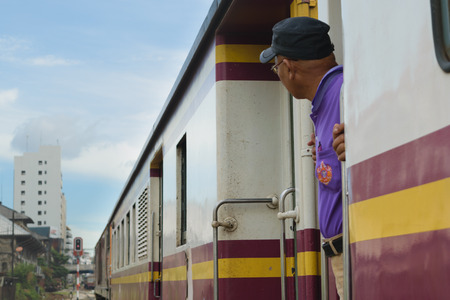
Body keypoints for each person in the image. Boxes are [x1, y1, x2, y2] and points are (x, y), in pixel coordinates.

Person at [260, 17, 344, 298]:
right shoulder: (327, 99)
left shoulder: (343, 93)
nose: (279, 75)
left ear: (288, 67)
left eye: (276, 68)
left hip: (353, 250)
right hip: (343, 253)